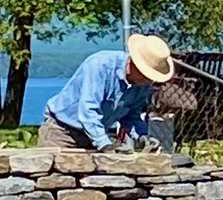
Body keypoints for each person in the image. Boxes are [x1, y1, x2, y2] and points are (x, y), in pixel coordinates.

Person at [38, 33, 175, 152]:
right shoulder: (99, 66)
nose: (149, 81)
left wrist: (142, 136)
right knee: (55, 180)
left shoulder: (143, 84)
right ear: (133, 64)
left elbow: (131, 116)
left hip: (95, 133)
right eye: (147, 75)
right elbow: (88, 110)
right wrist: (105, 144)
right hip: (62, 131)